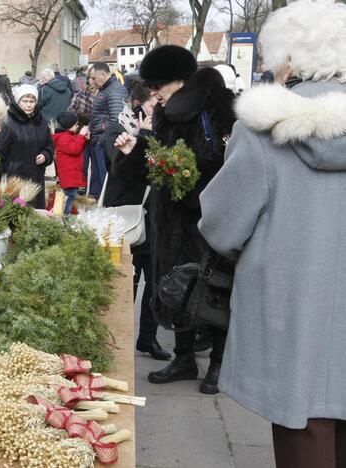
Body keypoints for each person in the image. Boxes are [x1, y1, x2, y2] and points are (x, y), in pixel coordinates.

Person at [198, 1, 346, 465]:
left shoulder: (264, 129)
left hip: (292, 320)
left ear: (288, 58)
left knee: (304, 436)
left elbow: (220, 225)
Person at [114, 45, 236, 394]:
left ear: (179, 82)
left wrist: (188, 177)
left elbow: (232, 162)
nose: (153, 95)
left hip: (208, 219)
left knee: (214, 291)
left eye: (157, 87)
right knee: (176, 289)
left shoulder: (217, 106)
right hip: (170, 219)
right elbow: (160, 159)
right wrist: (134, 152)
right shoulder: (167, 113)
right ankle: (183, 359)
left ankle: (218, 364)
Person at [102, 84, 170, 361]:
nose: (159, 109)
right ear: (137, 104)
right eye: (154, 104)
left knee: (154, 284)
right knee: (124, 285)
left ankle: (148, 339)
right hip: (125, 219)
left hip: (153, 220)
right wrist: (143, 136)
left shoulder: (163, 133)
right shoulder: (116, 132)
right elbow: (126, 171)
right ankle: (116, 340)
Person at [0, 84, 54, 209]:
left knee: (34, 215)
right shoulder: (8, 121)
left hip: (35, 178)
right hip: (14, 178)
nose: (29, 104)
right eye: (25, 101)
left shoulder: (41, 121)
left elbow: (49, 144)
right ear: (18, 101)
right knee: (14, 213)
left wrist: (46, 155)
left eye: (32, 101)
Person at [90, 61, 129, 200]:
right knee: (101, 178)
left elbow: (116, 120)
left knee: (105, 178)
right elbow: (99, 115)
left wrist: (101, 140)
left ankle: (106, 206)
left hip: (105, 141)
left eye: (94, 78)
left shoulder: (115, 90)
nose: (92, 81)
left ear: (103, 74)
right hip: (99, 139)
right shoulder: (105, 89)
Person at [52, 111, 89, 214]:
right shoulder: (63, 138)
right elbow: (75, 149)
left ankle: (65, 214)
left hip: (72, 173)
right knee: (69, 196)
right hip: (69, 174)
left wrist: (84, 139)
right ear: (68, 125)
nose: (77, 126)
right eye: (76, 124)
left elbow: (78, 147)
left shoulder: (68, 135)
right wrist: (81, 135)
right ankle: (65, 216)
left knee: (71, 195)